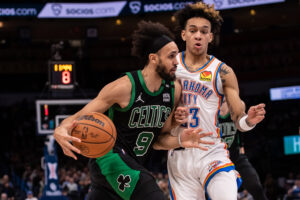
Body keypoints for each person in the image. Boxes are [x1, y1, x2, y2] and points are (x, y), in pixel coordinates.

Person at [54, 20, 212, 200]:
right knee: (152, 193)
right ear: (153, 58)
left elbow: (159, 140)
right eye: (171, 56)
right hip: (109, 159)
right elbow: (77, 118)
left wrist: (181, 140)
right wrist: (60, 130)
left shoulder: (173, 90)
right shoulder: (124, 87)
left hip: (129, 166)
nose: (177, 62)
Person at [153, 2, 266, 200]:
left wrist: (250, 120)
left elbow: (239, 119)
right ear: (184, 35)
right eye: (193, 30)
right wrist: (171, 116)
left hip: (212, 151)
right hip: (179, 154)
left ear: (210, 37)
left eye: (204, 31)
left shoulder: (223, 72)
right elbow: (154, 106)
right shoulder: (169, 67)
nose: (198, 35)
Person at [219, 98, 269, 200]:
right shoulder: (206, 105)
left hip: (234, 155)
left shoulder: (238, 104)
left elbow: (241, 126)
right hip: (213, 156)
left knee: (255, 186)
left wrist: (242, 145)